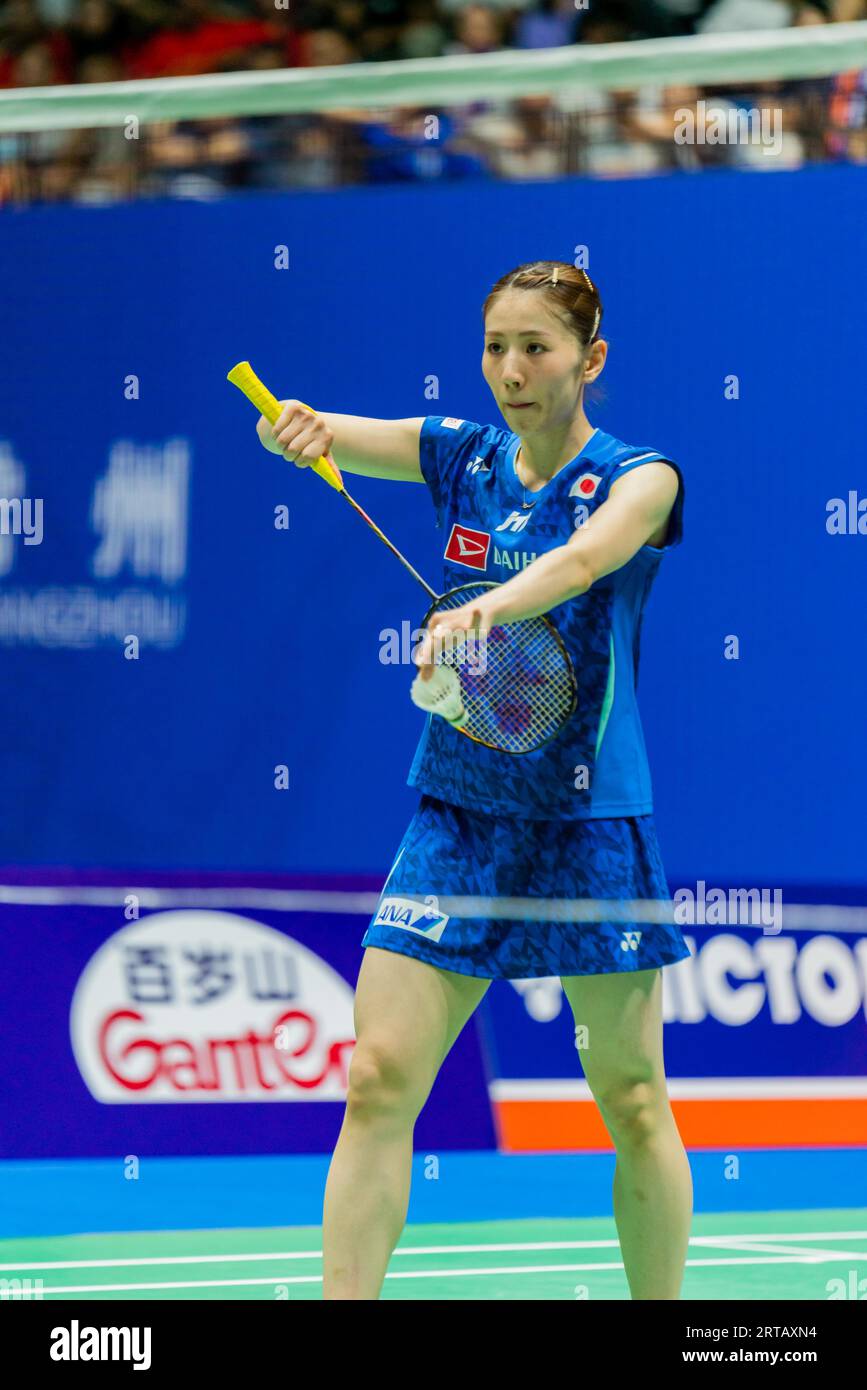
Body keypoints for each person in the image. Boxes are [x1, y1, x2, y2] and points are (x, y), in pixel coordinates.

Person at [257, 260, 693, 1301]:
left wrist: (486, 609)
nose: (511, 370)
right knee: (375, 1079)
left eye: (536, 349)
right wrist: (302, 429)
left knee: (631, 1099)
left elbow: (586, 561)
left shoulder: (644, 478)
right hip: (457, 820)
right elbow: (344, 433)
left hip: (587, 823)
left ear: (591, 360)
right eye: (495, 347)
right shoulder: (464, 455)